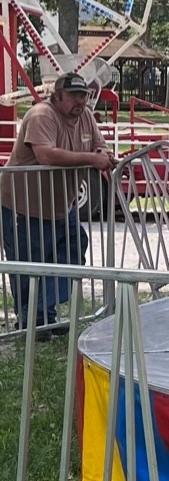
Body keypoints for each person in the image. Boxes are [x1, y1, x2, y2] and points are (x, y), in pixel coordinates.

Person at [0, 73, 117, 329]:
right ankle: (35, 321)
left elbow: (100, 145)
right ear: (57, 96)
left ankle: (39, 313)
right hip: (24, 206)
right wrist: (91, 159)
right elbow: (46, 155)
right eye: (74, 95)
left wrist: (102, 154)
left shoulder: (85, 116)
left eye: (84, 95)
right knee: (29, 263)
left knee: (75, 248)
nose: (80, 101)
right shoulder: (42, 114)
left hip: (63, 205)